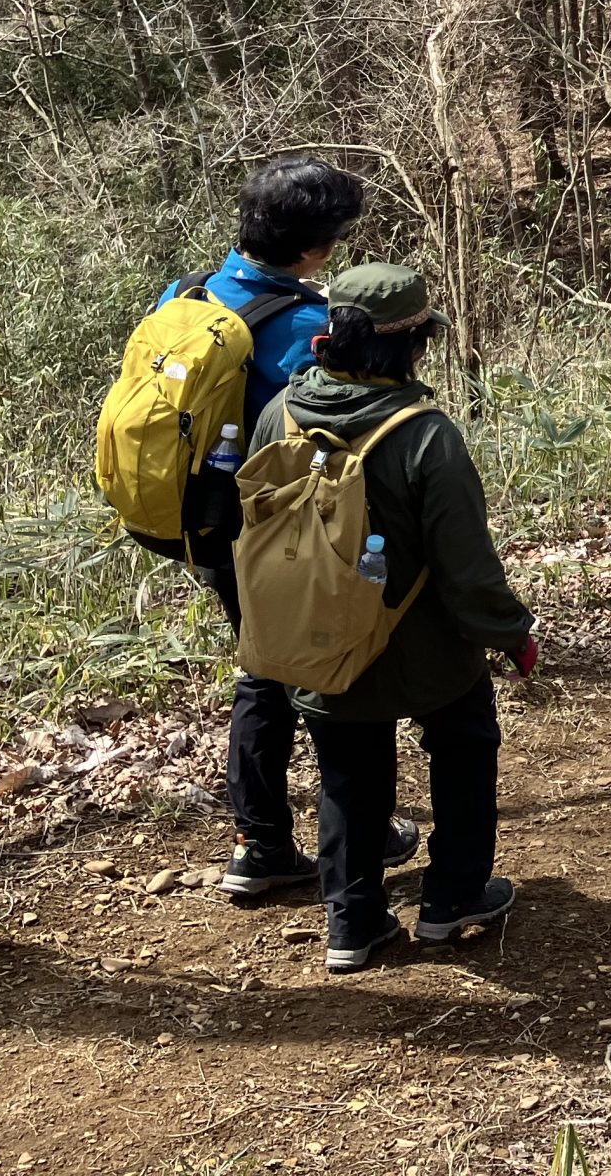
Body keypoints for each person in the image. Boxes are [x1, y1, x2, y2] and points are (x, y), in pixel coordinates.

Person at [257, 264, 538, 974]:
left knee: (348, 775)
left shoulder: (280, 413)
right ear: (413, 344)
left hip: (316, 637)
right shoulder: (425, 435)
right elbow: (466, 566)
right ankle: (454, 898)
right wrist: (511, 635)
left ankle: (352, 923)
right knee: (465, 746)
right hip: (423, 644)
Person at [160, 157, 419, 903]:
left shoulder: (189, 296)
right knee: (320, 674)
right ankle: (336, 838)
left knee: (262, 672)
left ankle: (262, 839)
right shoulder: (308, 326)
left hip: (204, 524)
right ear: (316, 249)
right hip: (278, 537)